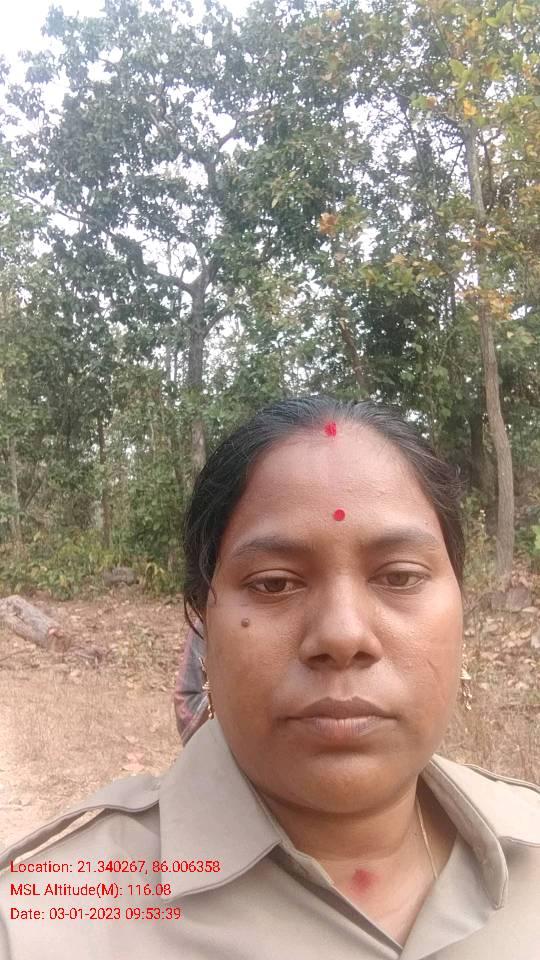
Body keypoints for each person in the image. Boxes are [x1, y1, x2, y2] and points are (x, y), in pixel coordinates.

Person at [1, 396, 538, 960]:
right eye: (275, 583)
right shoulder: (46, 926)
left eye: (399, 576)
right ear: (201, 620)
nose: (343, 635)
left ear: (460, 605)